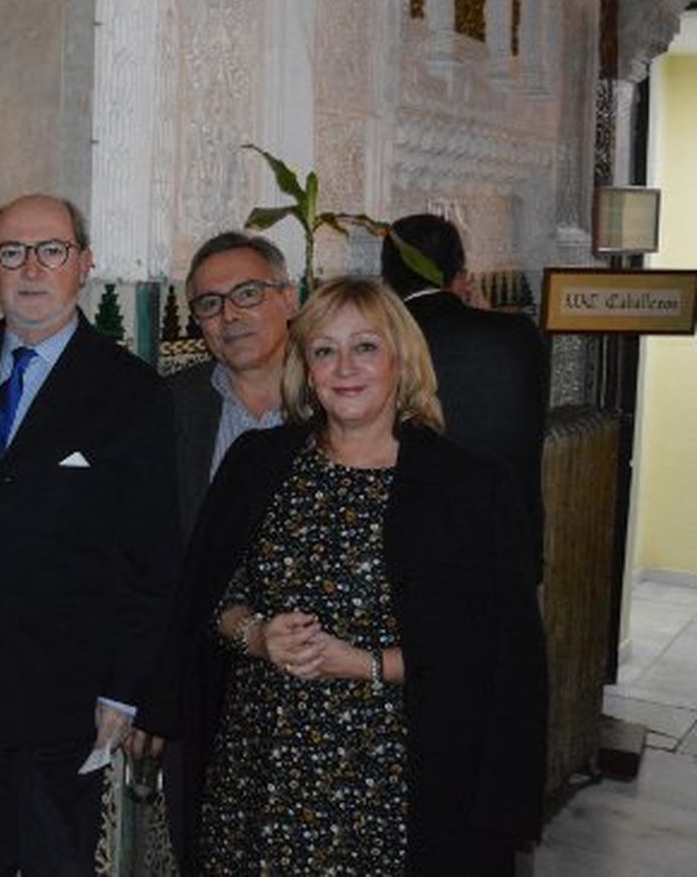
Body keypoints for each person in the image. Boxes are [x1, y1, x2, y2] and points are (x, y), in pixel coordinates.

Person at [155, 277, 546, 873]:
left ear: (400, 361)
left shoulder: (469, 488)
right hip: (259, 777)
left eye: (365, 347)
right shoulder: (257, 465)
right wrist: (256, 636)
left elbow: (496, 657)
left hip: (397, 787)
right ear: (306, 369)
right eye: (324, 350)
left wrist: (362, 664)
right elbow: (210, 600)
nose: (345, 367)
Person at [0, 194, 180, 874]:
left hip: (65, 702)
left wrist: (124, 691)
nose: (31, 267)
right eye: (12, 251)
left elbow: (151, 559)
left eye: (52, 250)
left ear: (84, 264)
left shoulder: (132, 392)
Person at [381, 213, 548, 584]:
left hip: (415, 553)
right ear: (460, 274)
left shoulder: (379, 342)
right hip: (508, 545)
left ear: (387, 280)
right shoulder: (519, 335)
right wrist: (484, 316)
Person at [169, 231, 297, 539]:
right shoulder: (170, 405)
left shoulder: (337, 398)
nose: (229, 315)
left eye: (248, 294)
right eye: (210, 303)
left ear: (290, 300)